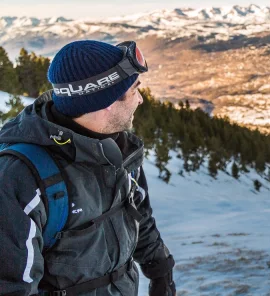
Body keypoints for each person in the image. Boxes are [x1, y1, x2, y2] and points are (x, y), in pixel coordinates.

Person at [0, 40, 175, 296]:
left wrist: (160, 269)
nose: (141, 99)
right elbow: (12, 286)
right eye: (135, 89)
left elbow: (138, 214)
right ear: (105, 101)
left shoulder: (119, 150)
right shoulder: (21, 177)